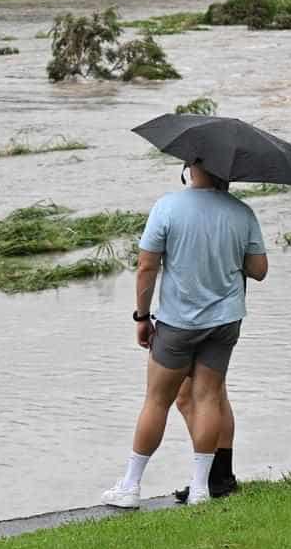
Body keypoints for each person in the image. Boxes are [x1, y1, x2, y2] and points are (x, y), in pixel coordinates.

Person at [101, 160, 268, 508]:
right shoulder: (242, 212)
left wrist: (142, 316)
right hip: (224, 322)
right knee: (208, 398)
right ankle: (201, 489)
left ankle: (130, 486)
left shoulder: (167, 207)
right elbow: (259, 270)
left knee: (157, 400)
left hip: (178, 323)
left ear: (191, 167)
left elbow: (147, 266)